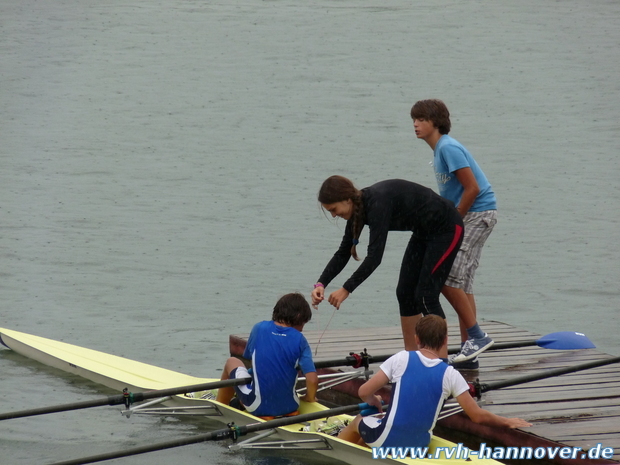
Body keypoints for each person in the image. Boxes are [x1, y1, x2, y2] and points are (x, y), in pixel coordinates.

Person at [311, 175, 464, 353]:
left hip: (447, 228)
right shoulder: (357, 209)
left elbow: (375, 258)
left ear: (347, 199)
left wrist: (346, 289)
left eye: (333, 209)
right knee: (405, 293)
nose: (334, 215)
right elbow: (343, 252)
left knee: (426, 296)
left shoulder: (377, 204)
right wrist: (321, 283)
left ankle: (440, 363)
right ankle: (412, 357)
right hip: (424, 232)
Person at [337, 315, 531, 448]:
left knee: (359, 420)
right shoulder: (450, 374)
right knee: (381, 422)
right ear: (445, 341)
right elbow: (477, 416)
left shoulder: (401, 358)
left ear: (416, 339)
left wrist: (374, 400)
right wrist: (506, 422)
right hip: (419, 447)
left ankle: (337, 453)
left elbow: (363, 391)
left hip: (386, 440)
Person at [411, 99, 497, 368]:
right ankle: (469, 351)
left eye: (421, 119)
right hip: (474, 214)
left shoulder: (448, 147)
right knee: (464, 282)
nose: (415, 124)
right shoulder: (439, 150)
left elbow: (472, 188)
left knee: (447, 276)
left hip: (477, 213)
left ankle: (476, 335)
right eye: (414, 119)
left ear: (435, 122)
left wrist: (454, 220)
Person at [216, 292, 319, 418]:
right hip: (291, 407)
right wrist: (309, 398)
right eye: (303, 323)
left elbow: (249, 357)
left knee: (232, 361)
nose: (302, 329)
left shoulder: (259, 328)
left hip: (258, 407)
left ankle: (220, 407)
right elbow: (312, 379)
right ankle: (243, 404)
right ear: (298, 316)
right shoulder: (300, 340)